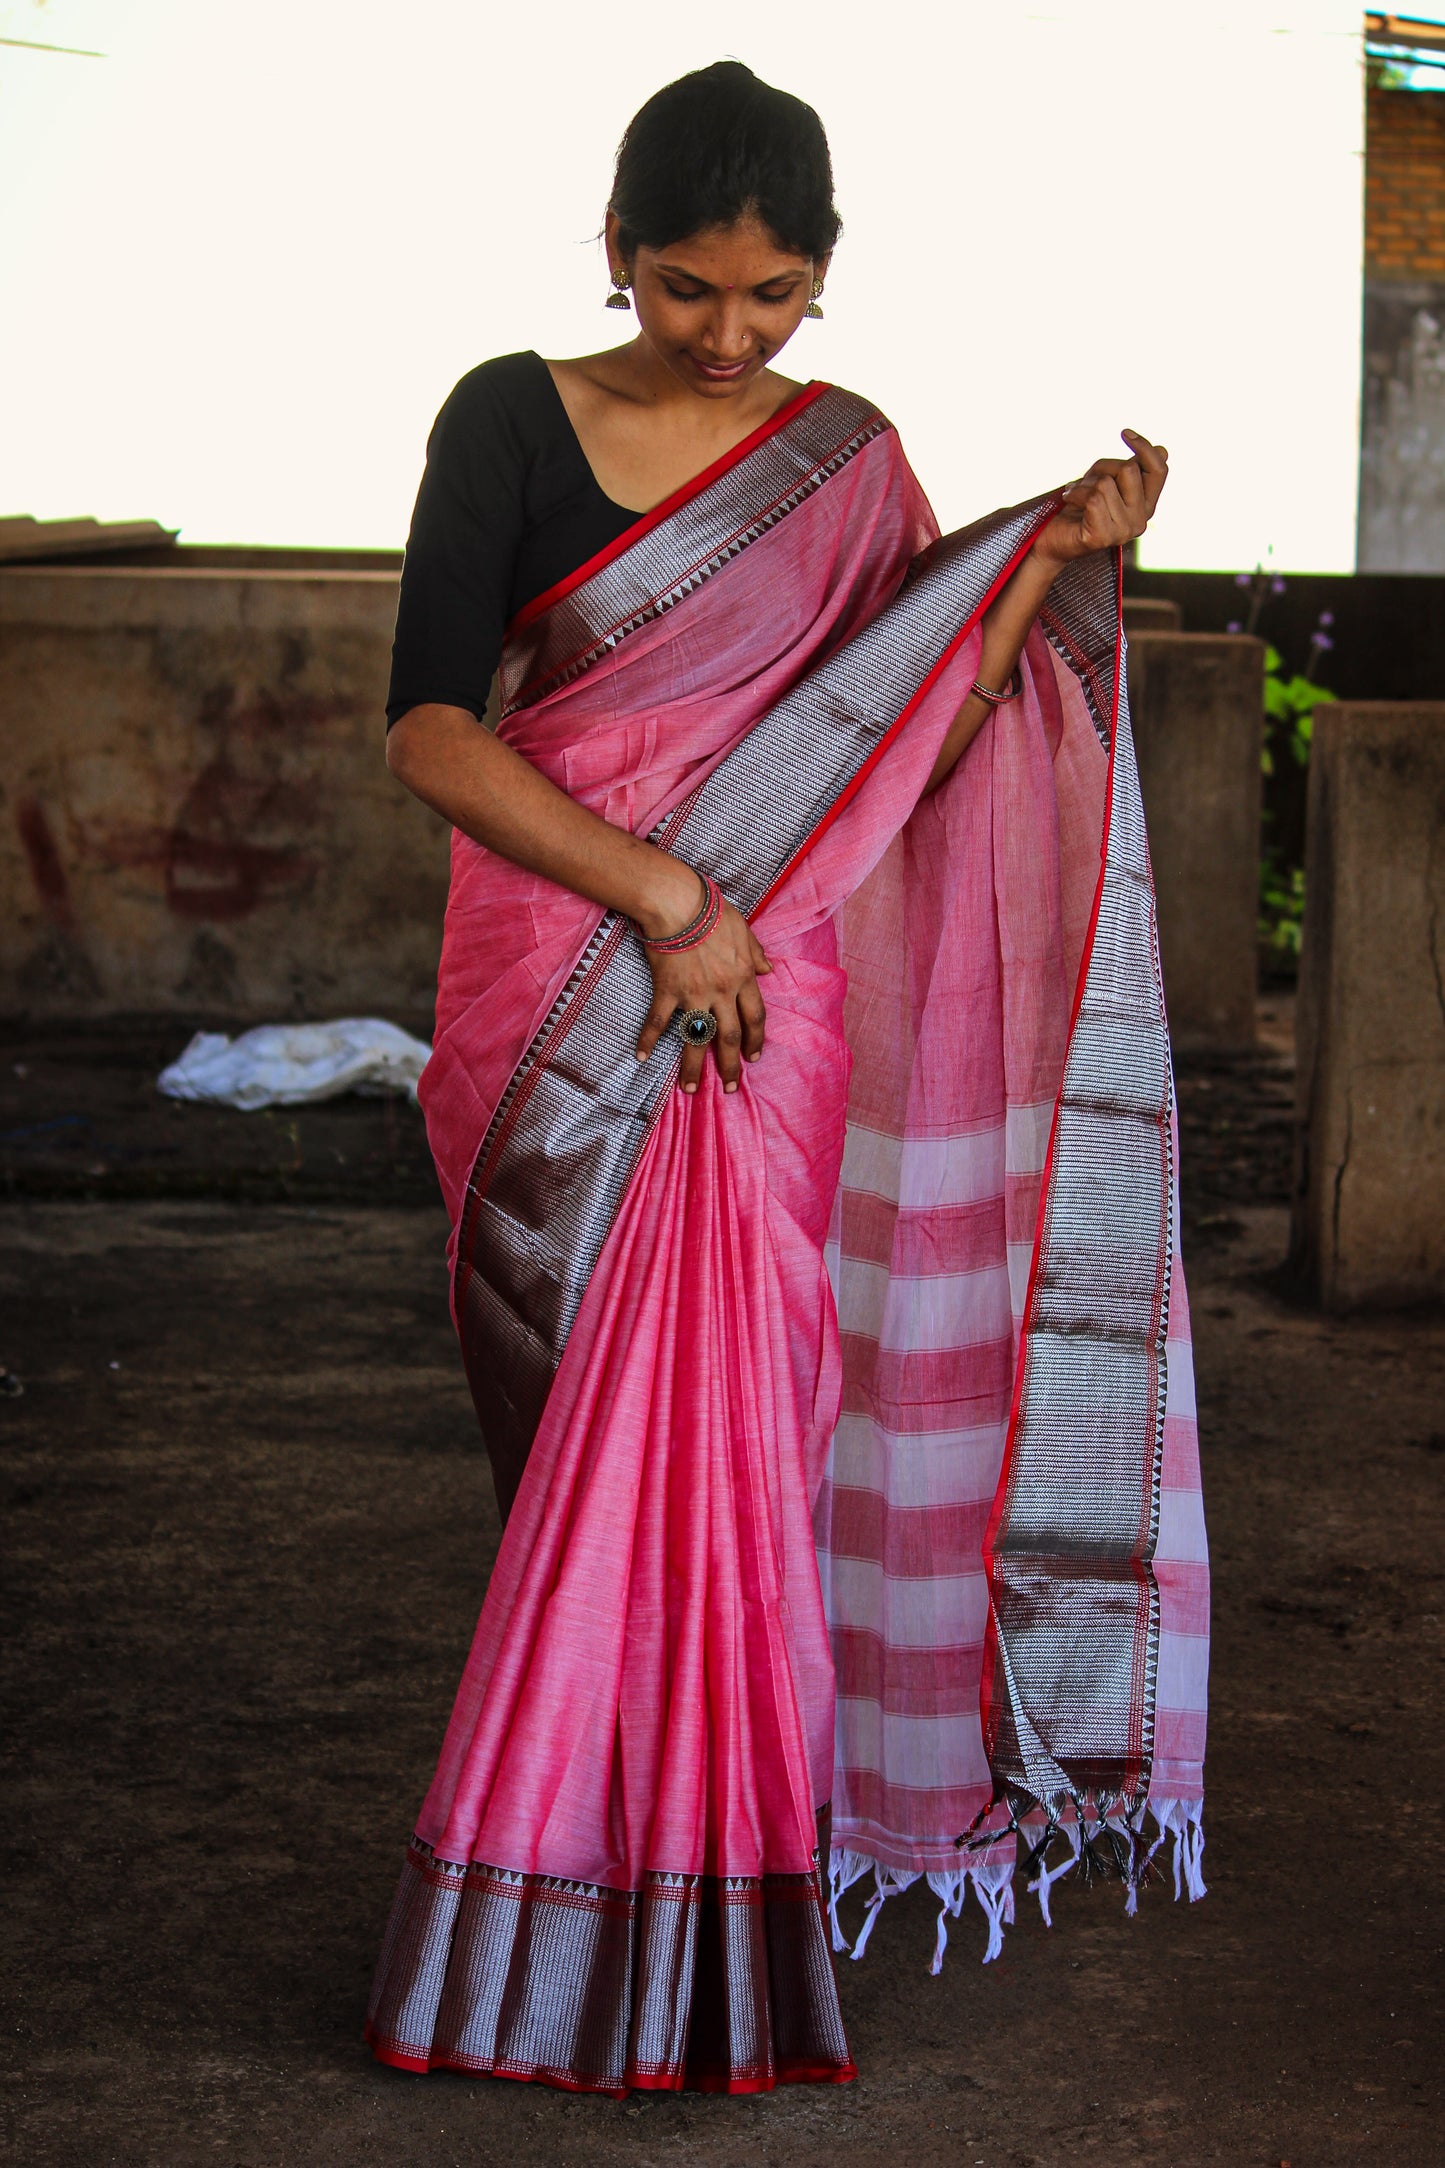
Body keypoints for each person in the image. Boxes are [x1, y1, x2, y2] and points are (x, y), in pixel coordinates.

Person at [365, 59, 1208, 2098]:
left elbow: (920, 717)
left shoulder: (848, 460)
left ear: (820, 287)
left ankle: (718, 1899)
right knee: (595, 1458)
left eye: (775, 302)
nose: (731, 340)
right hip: (583, 979)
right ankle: (566, 1901)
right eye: (683, 295)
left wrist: (1059, 566)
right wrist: (669, 896)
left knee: (736, 1444)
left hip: (771, 1010)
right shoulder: (508, 415)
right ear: (615, 255)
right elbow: (428, 731)